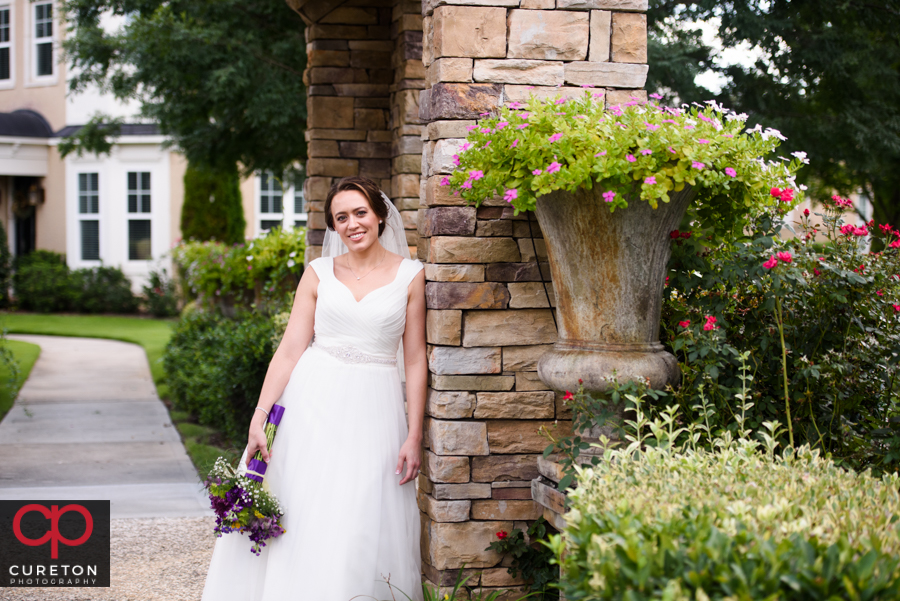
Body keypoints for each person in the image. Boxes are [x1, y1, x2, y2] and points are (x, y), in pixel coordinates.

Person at [201, 176, 426, 601]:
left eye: (360, 213)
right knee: (303, 506)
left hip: (373, 409)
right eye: (341, 217)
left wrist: (413, 435)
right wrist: (260, 416)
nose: (352, 224)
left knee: (357, 512)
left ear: (379, 215)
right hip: (311, 401)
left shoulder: (411, 276)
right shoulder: (319, 273)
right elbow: (289, 350)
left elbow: (414, 361)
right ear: (333, 227)